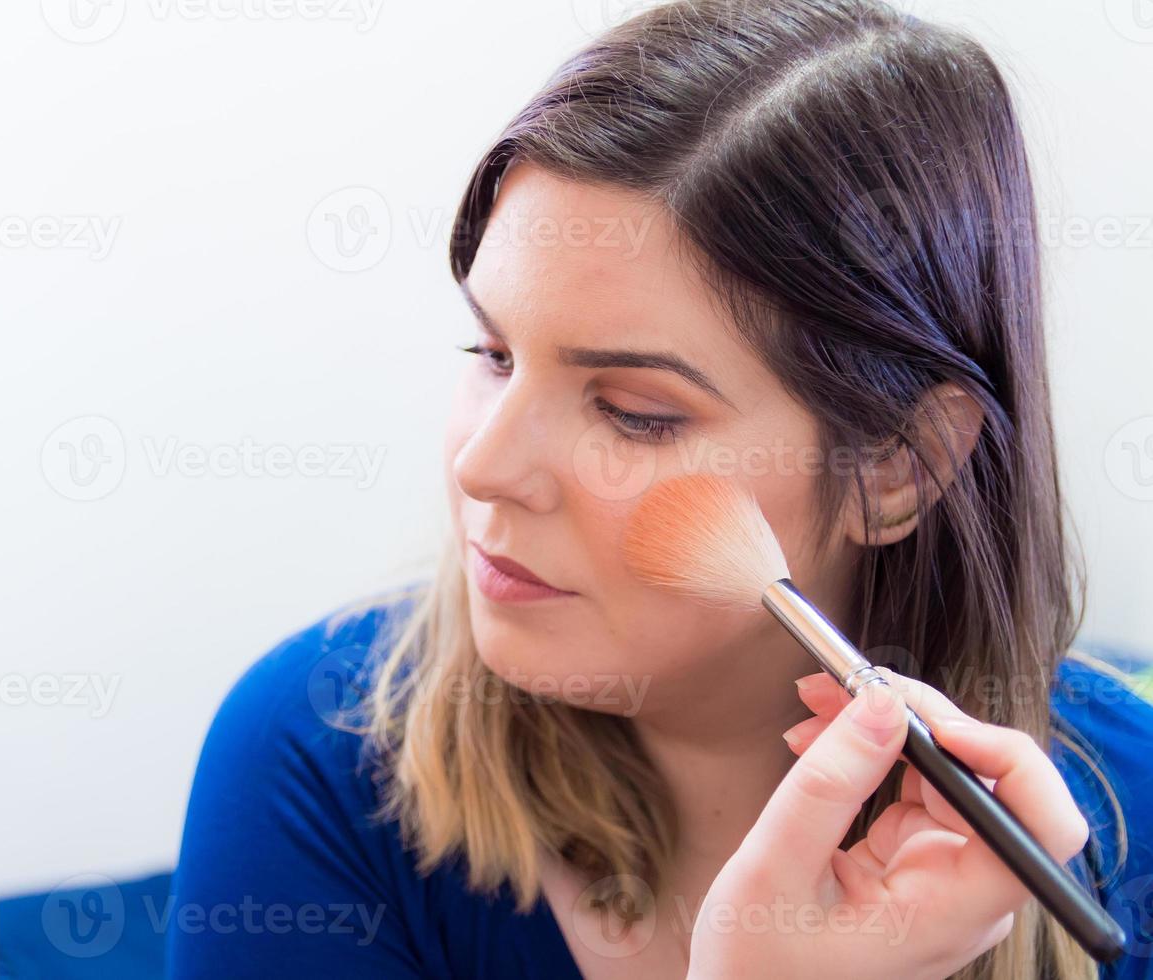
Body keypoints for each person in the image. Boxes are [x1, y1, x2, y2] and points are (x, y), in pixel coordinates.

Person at [168, 1, 1153, 976]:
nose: (484, 465)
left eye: (635, 411)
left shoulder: (1130, 806)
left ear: (899, 462)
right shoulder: (313, 751)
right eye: (494, 352)